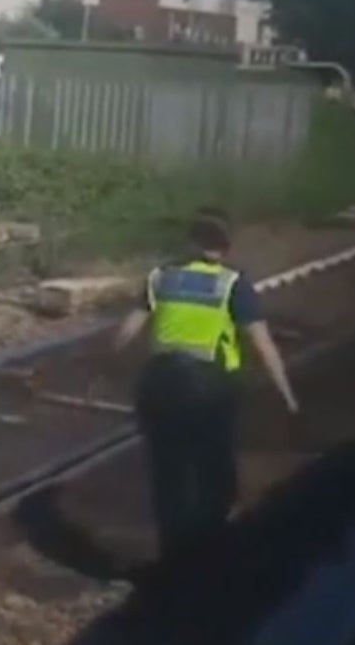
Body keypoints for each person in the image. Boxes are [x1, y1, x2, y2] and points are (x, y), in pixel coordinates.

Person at [111, 209, 298, 563]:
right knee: (215, 474)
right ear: (225, 247)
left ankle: (173, 559)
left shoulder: (162, 277)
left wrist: (112, 369)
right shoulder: (232, 283)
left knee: (169, 476)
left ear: (191, 241)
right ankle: (206, 556)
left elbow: (125, 333)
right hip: (209, 390)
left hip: (159, 385)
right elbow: (262, 344)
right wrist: (286, 394)